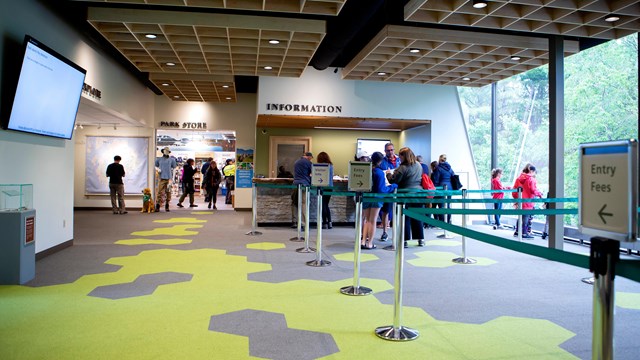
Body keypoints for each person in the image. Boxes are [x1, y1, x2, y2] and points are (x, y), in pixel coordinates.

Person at [387, 147, 424, 248]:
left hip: (405, 195)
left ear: (404, 156)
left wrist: (389, 174)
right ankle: (420, 239)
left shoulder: (402, 168)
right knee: (417, 217)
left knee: (404, 218)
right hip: (418, 194)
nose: (399, 157)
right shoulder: (418, 165)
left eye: (400, 155)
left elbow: (393, 180)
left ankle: (404, 240)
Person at [361, 152, 398, 249]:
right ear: (380, 161)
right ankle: (370, 243)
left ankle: (363, 240)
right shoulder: (379, 172)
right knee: (372, 221)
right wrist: (393, 186)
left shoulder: (367, 170)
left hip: (366, 197)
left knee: (367, 220)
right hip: (376, 199)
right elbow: (382, 190)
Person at [512, 164, 542, 239]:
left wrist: (517, 199)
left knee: (520, 216)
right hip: (528, 201)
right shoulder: (531, 179)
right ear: (531, 171)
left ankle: (517, 232)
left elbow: (514, 191)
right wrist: (539, 194)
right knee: (526, 217)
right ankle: (524, 233)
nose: (534, 174)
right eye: (534, 172)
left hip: (520, 200)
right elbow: (533, 190)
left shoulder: (518, 179)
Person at [378, 142, 400, 241]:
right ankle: (385, 232)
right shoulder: (382, 161)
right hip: (388, 188)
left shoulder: (400, 160)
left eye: (392, 150)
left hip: (399, 188)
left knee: (398, 211)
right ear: (385, 151)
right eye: (388, 150)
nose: (390, 152)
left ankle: (398, 233)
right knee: (386, 211)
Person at [432, 154, 455, 223]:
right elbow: (453, 176)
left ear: (439, 159)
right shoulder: (450, 168)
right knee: (448, 204)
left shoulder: (438, 168)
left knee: (441, 205)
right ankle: (448, 220)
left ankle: (442, 222)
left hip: (441, 188)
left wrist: (434, 190)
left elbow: (436, 180)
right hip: (449, 188)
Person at [292, 152, 313, 228]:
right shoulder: (308, 162)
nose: (311, 159)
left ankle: (294, 221)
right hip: (304, 184)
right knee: (304, 203)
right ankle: (304, 223)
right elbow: (313, 173)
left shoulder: (296, 161)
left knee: (295, 202)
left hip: (295, 184)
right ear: (309, 157)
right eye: (311, 157)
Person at [155, 147, 177, 212]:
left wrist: (173, 178)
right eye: (165, 151)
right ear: (163, 151)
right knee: (159, 192)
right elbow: (155, 166)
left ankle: (167, 205)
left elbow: (174, 168)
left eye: (167, 151)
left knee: (168, 192)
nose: (166, 152)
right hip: (161, 178)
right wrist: (157, 169)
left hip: (169, 179)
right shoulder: (159, 159)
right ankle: (158, 205)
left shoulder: (172, 160)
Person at [316, 151, 334, 229]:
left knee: (323, 205)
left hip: (322, 187)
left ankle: (324, 223)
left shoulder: (319, 166)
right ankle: (329, 222)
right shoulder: (331, 166)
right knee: (326, 204)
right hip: (330, 187)